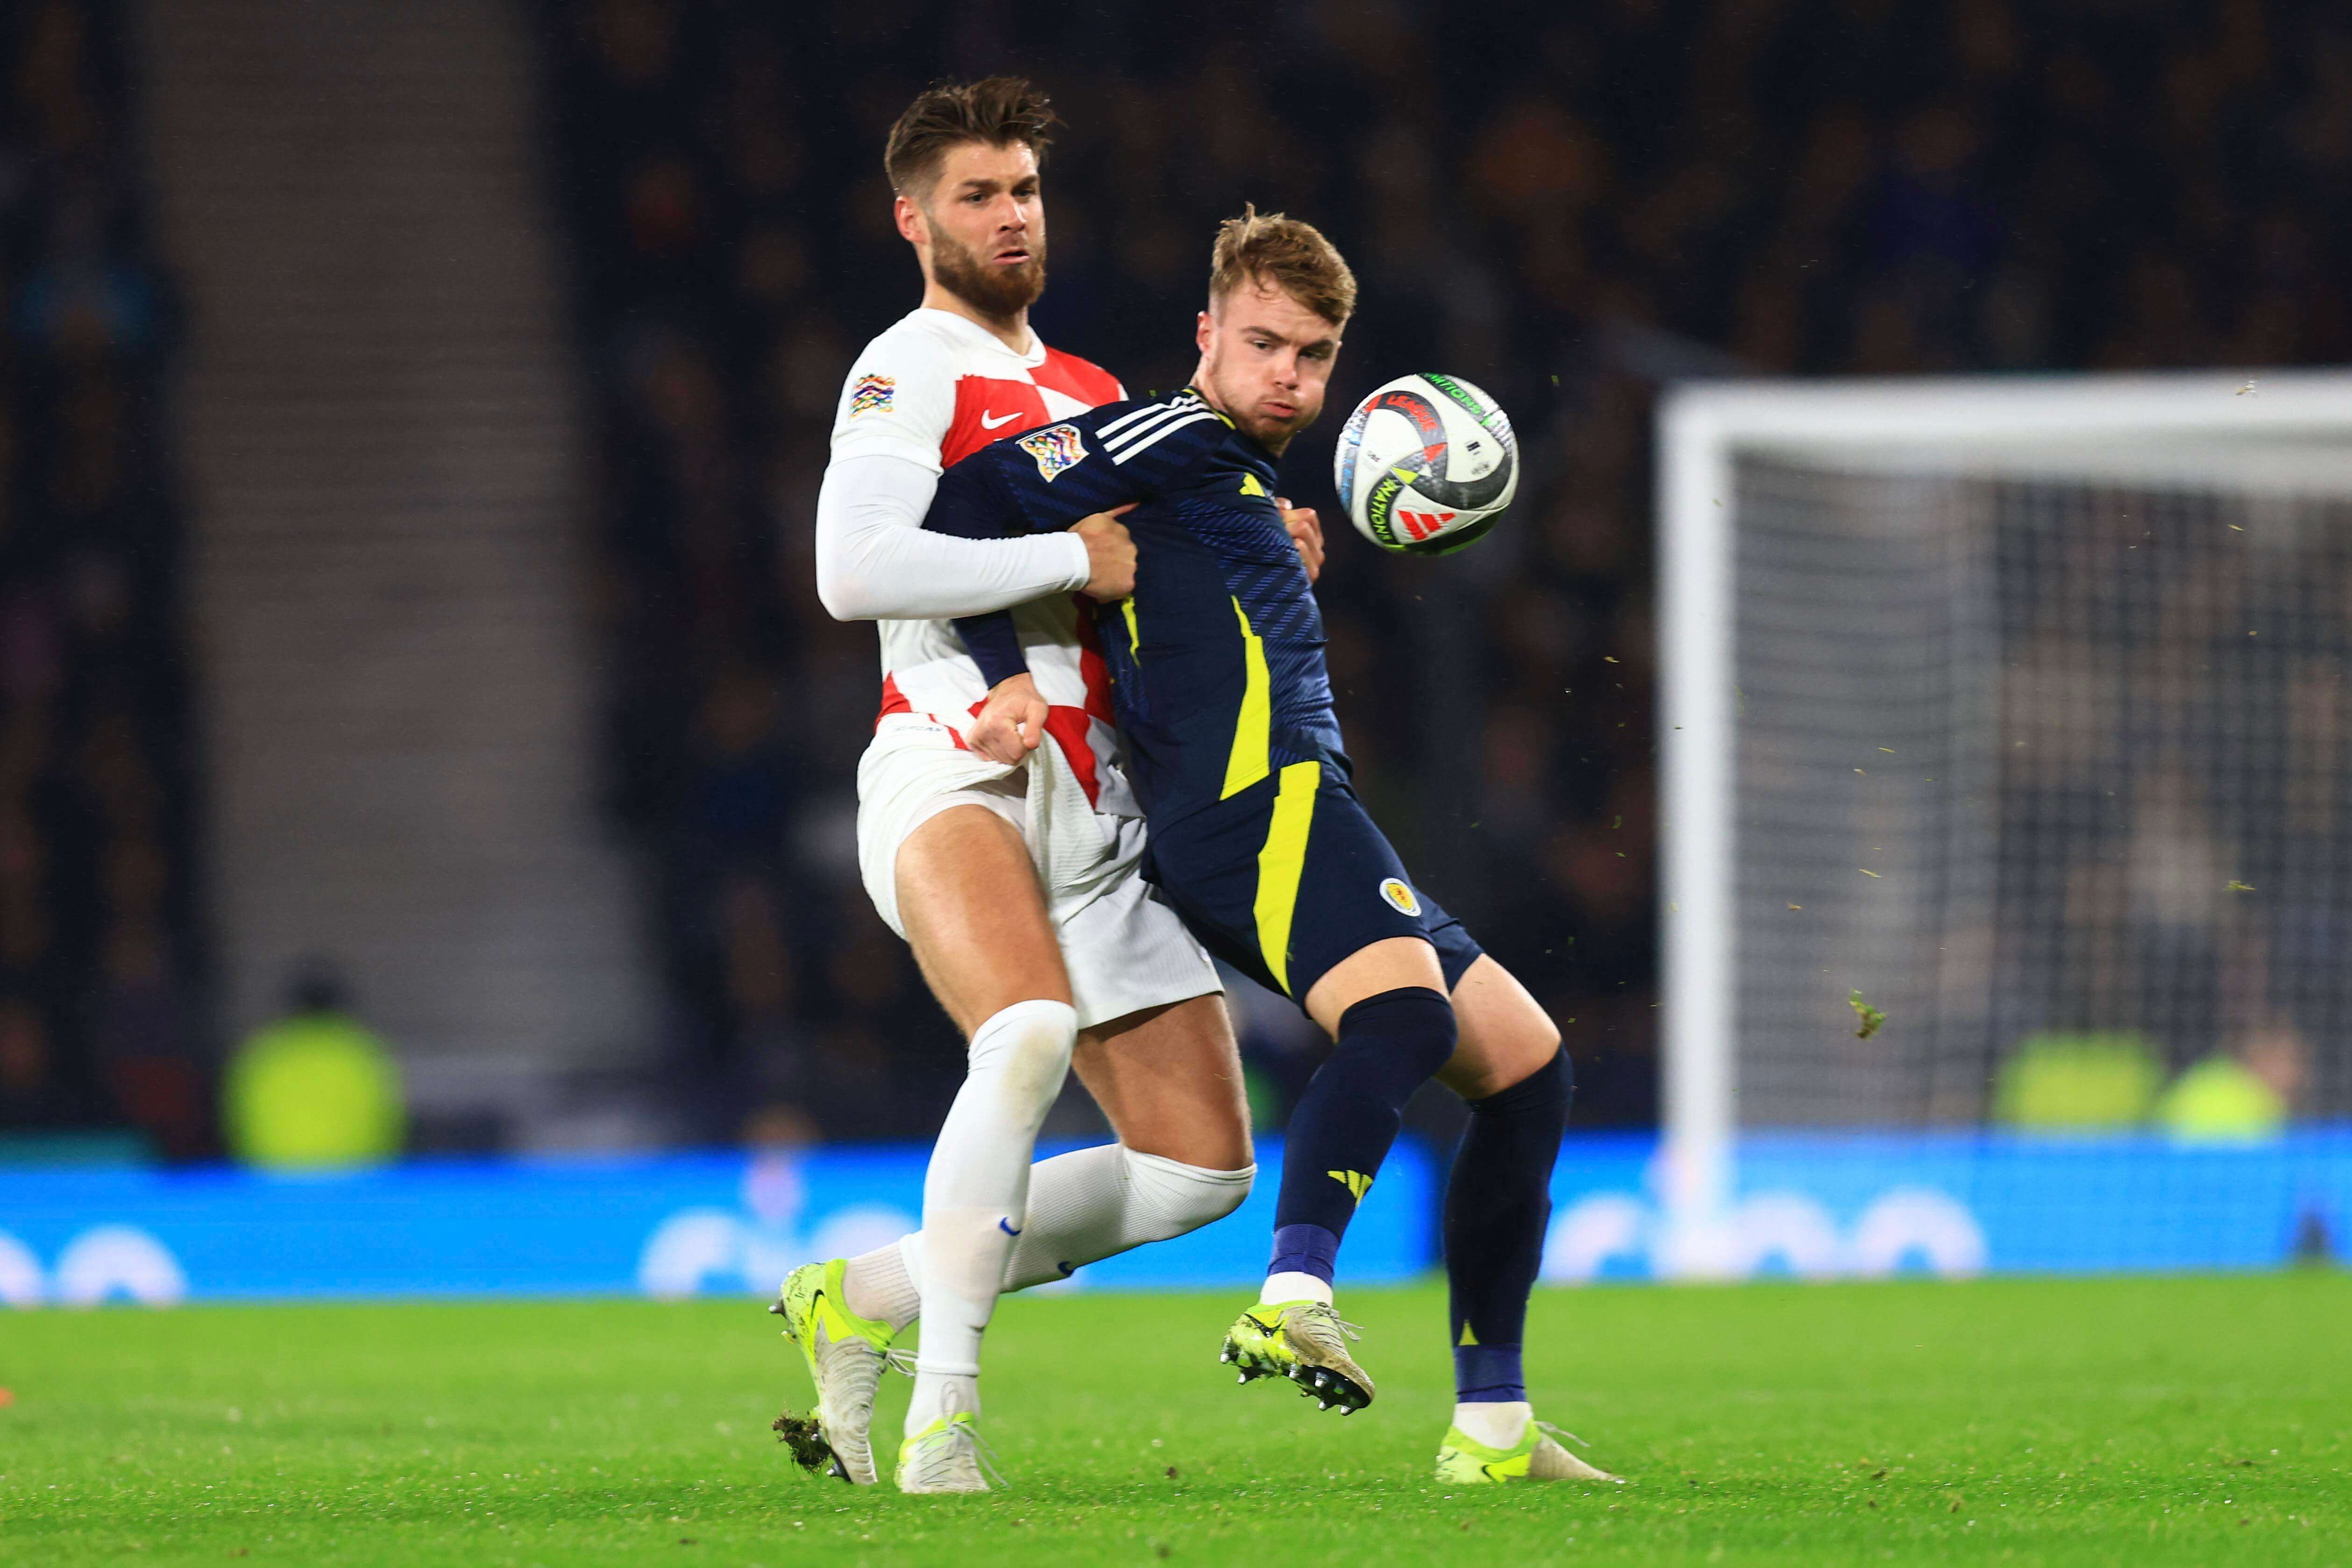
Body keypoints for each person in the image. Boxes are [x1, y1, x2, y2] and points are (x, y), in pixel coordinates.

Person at [928, 209, 1617, 1486]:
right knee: (1401, 1023)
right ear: (1207, 335)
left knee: (1526, 1069)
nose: (1286, 375)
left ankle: (1495, 1426)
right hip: (1245, 809)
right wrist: (1001, 669)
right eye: (1261, 344)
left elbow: (1198, 616)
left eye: (1311, 353)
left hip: (1302, 802)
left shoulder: (1238, 487)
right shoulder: (1175, 433)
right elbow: (965, 496)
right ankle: (1291, 1288)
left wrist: (1269, 553)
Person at [776, 78, 1323, 1495]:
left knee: (1201, 1171)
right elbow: (857, 568)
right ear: (913, 219)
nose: (1009, 216)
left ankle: (865, 1298)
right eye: (976, 194)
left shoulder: (1091, 393)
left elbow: (1151, 582)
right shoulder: (908, 367)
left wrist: (1261, 552)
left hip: (1096, 803)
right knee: (1021, 1032)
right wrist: (1069, 562)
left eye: (1022, 190)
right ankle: (942, 1420)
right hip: (950, 760)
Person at [221, 957, 404, 1171]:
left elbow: (238, 1116)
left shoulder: (264, 1052)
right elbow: (387, 1120)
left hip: (275, 1176)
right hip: (352, 1176)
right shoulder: (361, 1051)